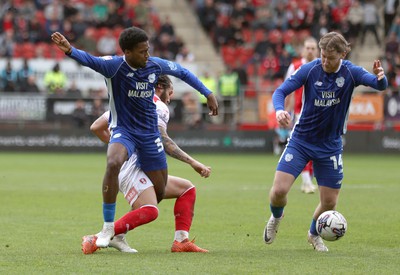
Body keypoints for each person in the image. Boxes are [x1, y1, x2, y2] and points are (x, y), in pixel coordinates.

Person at [51, 27, 218, 249]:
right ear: (127, 52)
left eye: (148, 50)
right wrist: (70, 50)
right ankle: (108, 227)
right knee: (113, 161)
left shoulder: (154, 65)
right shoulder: (113, 66)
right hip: (124, 131)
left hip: (149, 135)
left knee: (158, 194)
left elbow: (183, 73)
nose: (147, 55)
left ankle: (127, 236)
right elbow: (89, 60)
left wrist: (207, 93)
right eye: (142, 51)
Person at [263, 32, 387, 252]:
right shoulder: (311, 69)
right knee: (279, 190)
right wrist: (280, 110)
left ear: (343, 53)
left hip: (330, 145)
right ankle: (275, 217)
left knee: (329, 202)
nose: (324, 61)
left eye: (330, 57)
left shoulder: (351, 72)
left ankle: (313, 233)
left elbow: (379, 85)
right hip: (301, 139)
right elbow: (281, 91)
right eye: (322, 56)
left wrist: (380, 76)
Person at [82, 75, 210, 254]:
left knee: (187, 189)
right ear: (159, 87)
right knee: (150, 210)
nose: (169, 98)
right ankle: (95, 238)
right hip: (132, 169)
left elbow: (96, 127)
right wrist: (193, 162)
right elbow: (163, 140)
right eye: (170, 92)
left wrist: (121, 147)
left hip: (135, 166)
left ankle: (181, 241)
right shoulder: (158, 106)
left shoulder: (126, 101)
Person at [285, 37, 319, 194]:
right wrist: (285, 111)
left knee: (315, 148)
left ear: (317, 50)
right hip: (301, 113)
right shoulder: (296, 66)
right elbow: (287, 89)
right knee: (304, 146)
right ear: (303, 50)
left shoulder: (322, 65)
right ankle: (306, 181)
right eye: (308, 48)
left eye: (313, 48)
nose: (310, 50)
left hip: (320, 114)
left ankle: (308, 180)